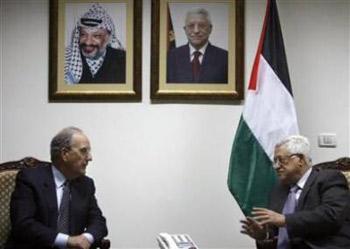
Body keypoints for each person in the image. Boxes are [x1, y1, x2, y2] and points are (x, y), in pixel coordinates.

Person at [6, 127, 108, 249]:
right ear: (65, 154)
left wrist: (86, 238)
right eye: (83, 151)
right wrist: (66, 241)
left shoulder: (85, 185)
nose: (90, 158)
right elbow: (23, 224)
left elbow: (99, 223)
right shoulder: (30, 179)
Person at [240, 135, 350, 249]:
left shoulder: (328, 178)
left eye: (281, 160)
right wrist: (263, 235)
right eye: (275, 161)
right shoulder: (279, 189)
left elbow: (331, 215)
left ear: (300, 160)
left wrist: (285, 220)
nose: (276, 166)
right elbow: (275, 231)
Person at [65, 3, 125, 84]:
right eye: (83, 34)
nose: (87, 42)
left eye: (96, 36)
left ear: (108, 38)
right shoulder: (66, 59)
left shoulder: (124, 60)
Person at [167, 8, 228, 84]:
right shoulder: (170, 57)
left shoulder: (225, 58)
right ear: (185, 29)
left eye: (202, 25)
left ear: (210, 29)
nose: (196, 31)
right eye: (191, 26)